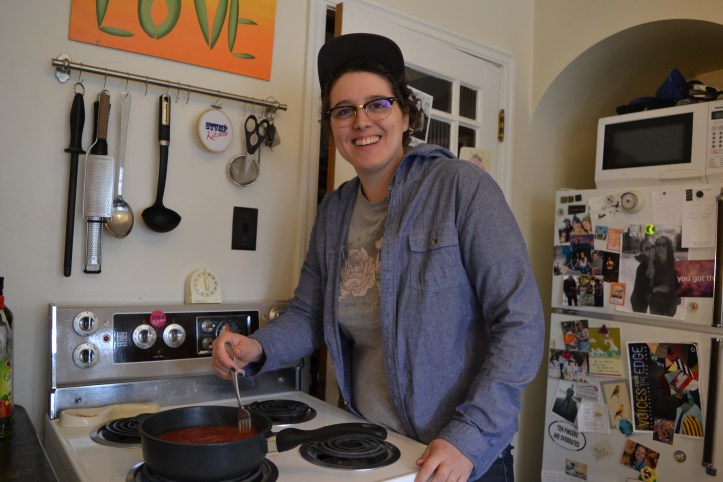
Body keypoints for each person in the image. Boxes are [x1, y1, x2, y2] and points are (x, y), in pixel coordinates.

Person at [211, 33, 544, 482]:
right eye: (344, 110)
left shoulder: (460, 187)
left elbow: (521, 321)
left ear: (405, 114)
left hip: (456, 457)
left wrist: (471, 434)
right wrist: (258, 347)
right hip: (370, 448)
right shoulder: (335, 210)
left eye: (378, 104)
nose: (361, 121)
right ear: (332, 126)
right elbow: (311, 314)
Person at [649, 235, 679, 316]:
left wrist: (668, 312)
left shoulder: (676, 265)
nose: (660, 248)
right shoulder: (652, 264)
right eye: (658, 245)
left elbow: (678, 292)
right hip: (654, 306)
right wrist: (658, 288)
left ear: (668, 247)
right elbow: (646, 289)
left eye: (663, 245)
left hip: (669, 306)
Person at [630, 237, 654, 313]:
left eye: (652, 247)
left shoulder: (653, 261)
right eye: (647, 248)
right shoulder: (643, 266)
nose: (651, 250)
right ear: (642, 251)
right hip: (639, 301)